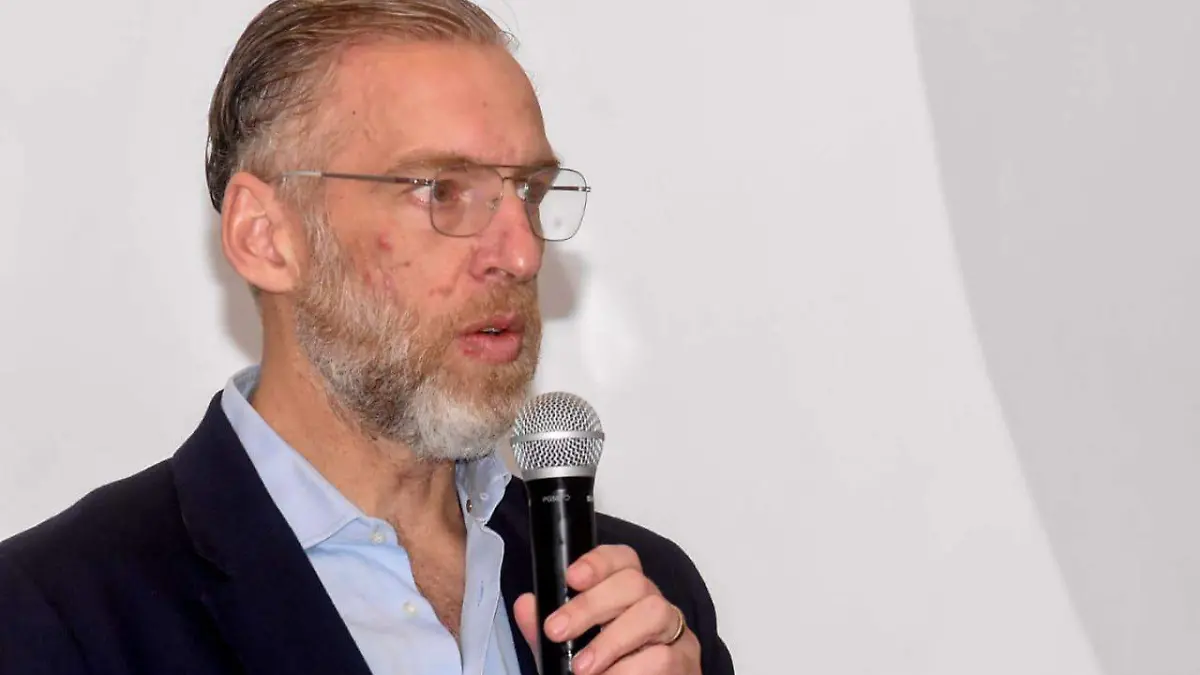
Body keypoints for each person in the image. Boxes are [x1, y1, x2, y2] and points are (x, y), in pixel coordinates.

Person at [0, 1, 734, 674]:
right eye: (443, 190)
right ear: (266, 237)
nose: (521, 254)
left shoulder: (645, 608)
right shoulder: (54, 619)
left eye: (530, 192)